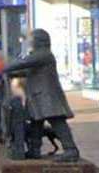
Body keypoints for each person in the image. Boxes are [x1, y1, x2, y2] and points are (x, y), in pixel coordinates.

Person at [4, 29, 80, 162]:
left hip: (47, 95)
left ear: (39, 41)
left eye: (31, 40)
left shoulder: (43, 54)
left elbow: (23, 63)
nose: (29, 43)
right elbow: (26, 70)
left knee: (57, 122)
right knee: (35, 123)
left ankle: (71, 150)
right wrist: (12, 74)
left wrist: (3, 67)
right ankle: (34, 149)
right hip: (37, 96)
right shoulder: (37, 56)